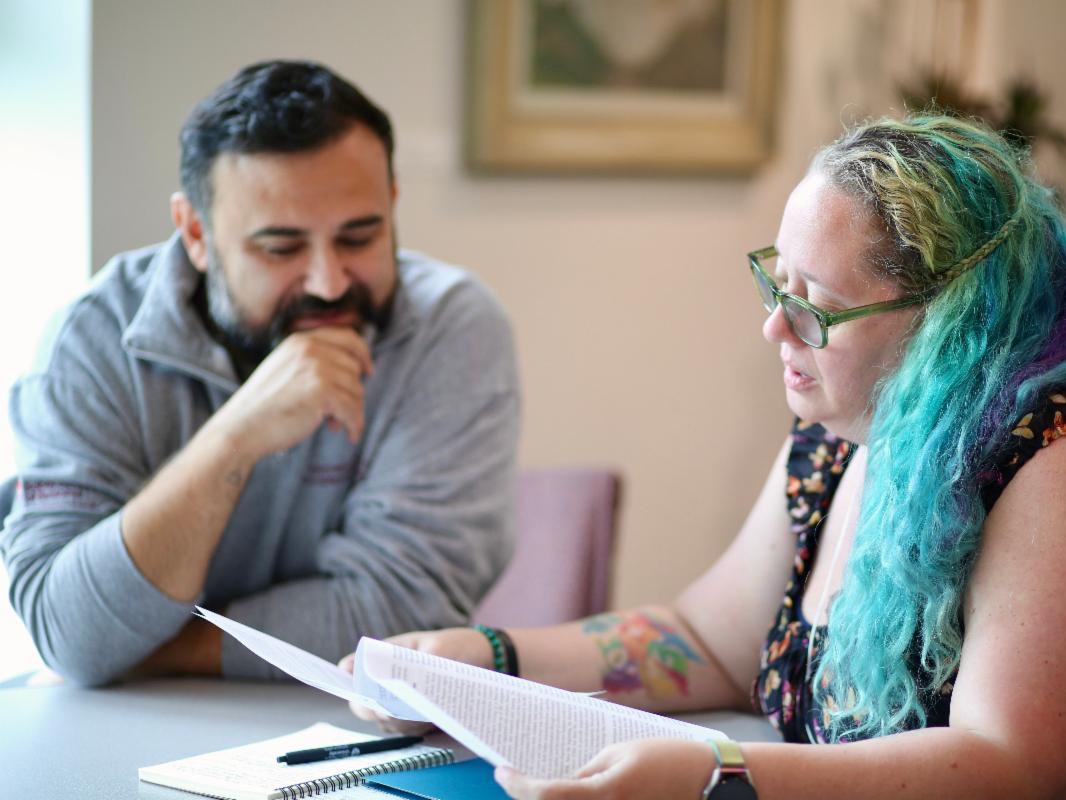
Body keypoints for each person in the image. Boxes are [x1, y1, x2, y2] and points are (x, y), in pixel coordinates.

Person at [344, 114, 1066, 799]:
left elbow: (1012, 766)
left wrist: (719, 774)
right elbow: (709, 643)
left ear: (949, 326)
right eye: (778, 282)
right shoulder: (834, 439)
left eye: (815, 305)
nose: (774, 326)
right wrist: (489, 659)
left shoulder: (1040, 464)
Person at [0, 60, 520, 687]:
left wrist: (152, 648)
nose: (329, 283)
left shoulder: (449, 326)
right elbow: (71, 633)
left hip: (351, 722)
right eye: (281, 248)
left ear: (392, 202)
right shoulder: (91, 339)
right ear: (196, 232)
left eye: (359, 237)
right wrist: (234, 438)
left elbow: (403, 611)